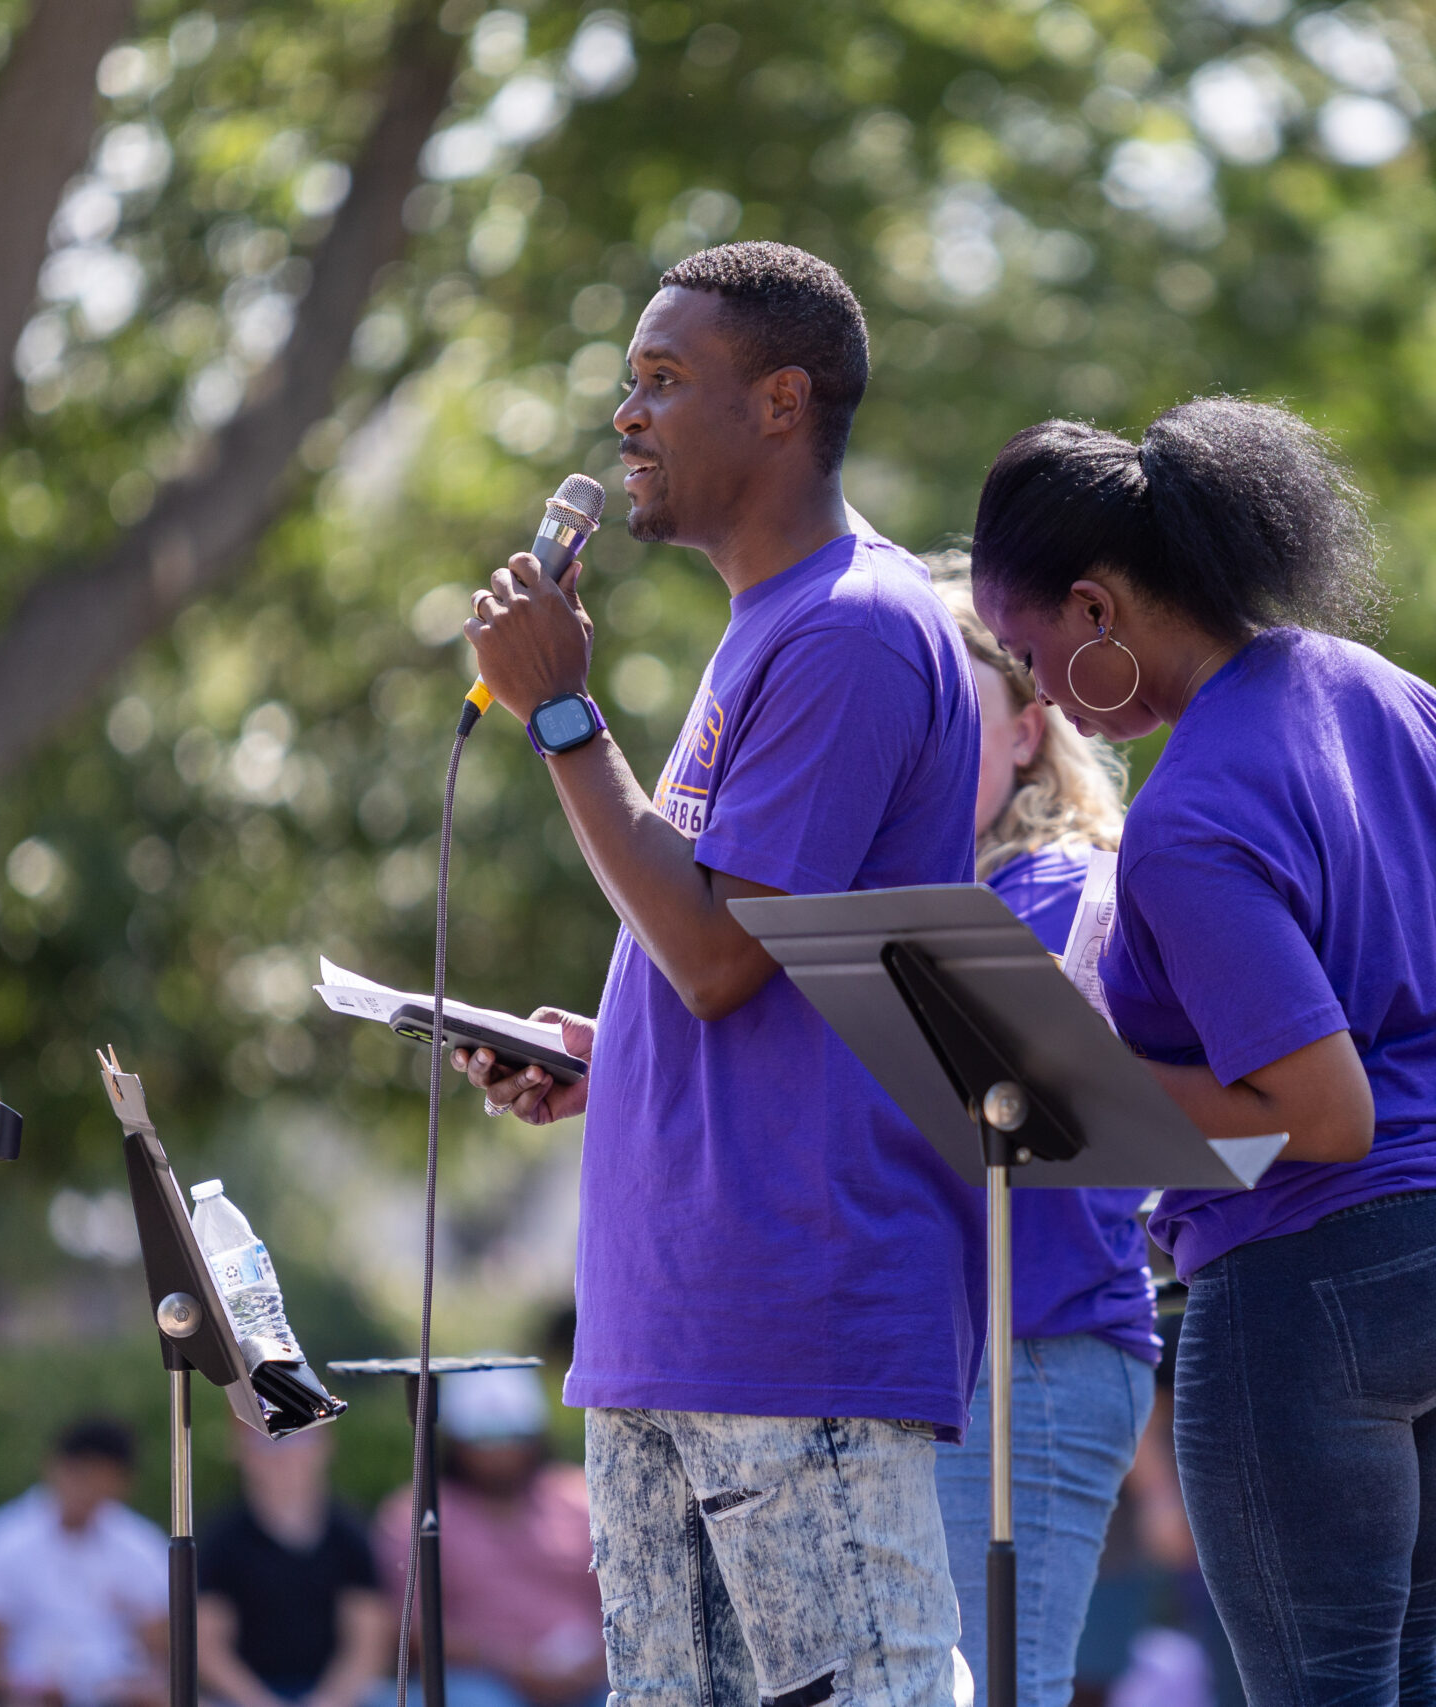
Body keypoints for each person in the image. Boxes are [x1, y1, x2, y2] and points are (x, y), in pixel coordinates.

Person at [968, 397, 1436, 1707]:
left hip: (1329, 1273)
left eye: (1027, 649)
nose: (1040, 691)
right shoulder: (1398, 694)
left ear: (1094, 608)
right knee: (1400, 1673)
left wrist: (1064, 1068)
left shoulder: (1188, 815)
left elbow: (1329, 1116)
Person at [454, 241, 982, 1707]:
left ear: (781, 402)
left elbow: (713, 957)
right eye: (628, 381)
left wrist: (563, 715)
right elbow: (731, 962)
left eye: (664, 377)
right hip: (666, 1328)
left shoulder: (852, 628)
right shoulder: (764, 632)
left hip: (794, 1325)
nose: (626, 413)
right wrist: (603, 1053)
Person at [931, 575, 1160, 1707]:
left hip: (1033, 1354)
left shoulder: (1059, 889)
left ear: (1029, 733)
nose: (922, 750)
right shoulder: (949, 889)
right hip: (978, 1358)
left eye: (951, 716)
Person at [375, 1369, 605, 1707]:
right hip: (477, 1679)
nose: (501, 1452)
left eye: (515, 1436)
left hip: (590, 1674)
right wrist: (510, 1664)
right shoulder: (419, 1511)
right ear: (455, 1442)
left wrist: (598, 1660)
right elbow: (410, 1625)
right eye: (484, 1438)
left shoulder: (581, 1498)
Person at [196, 1420, 390, 1707]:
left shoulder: (350, 1535)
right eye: (268, 1441)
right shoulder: (220, 1540)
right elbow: (208, 1646)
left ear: (326, 1445)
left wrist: (329, 1701)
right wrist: (260, 1702)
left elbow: (367, 1642)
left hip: (340, 1696)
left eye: (300, 1438)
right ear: (240, 1451)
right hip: (244, 1698)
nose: (285, 1454)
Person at [0, 1417, 169, 1707]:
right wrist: (34, 1686)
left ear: (123, 1482)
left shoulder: (142, 1546)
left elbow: (160, 1655)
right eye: (83, 1474)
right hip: (31, 1694)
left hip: (120, 1695)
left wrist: (133, 1688)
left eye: (103, 1477)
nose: (89, 1488)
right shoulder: (3, 1540)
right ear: (54, 1466)